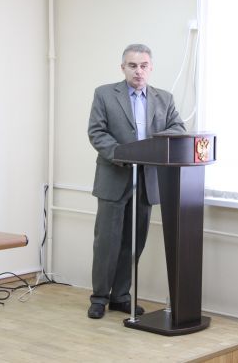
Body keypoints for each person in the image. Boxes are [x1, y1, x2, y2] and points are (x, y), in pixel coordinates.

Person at [87, 43, 186, 319]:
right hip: (114, 178)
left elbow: (178, 128)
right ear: (123, 68)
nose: (138, 71)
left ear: (150, 68)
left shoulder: (164, 98)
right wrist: (123, 154)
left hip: (146, 181)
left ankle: (121, 297)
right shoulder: (105, 94)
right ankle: (99, 298)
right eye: (132, 66)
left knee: (134, 244)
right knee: (106, 243)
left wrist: (150, 148)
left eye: (143, 66)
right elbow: (96, 132)